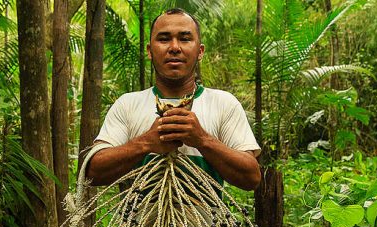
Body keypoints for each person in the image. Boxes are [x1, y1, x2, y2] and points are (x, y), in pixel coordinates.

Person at [86, 8, 261, 191]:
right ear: (150, 51)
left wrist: (202, 140)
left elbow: (251, 177)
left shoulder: (224, 104)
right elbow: (93, 172)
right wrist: (146, 143)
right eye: (164, 39)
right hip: (140, 220)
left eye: (185, 39)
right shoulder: (127, 105)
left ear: (200, 51)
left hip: (206, 220)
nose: (175, 47)